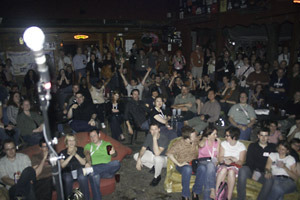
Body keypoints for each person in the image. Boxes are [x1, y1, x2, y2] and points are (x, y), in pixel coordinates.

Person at [237, 127, 277, 200]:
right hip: (251, 170)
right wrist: (255, 172)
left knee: (270, 179)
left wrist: (268, 172)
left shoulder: (273, 147)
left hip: (264, 173)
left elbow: (275, 161)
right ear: (258, 136)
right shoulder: (252, 146)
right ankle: (241, 198)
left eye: (266, 135)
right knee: (243, 169)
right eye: (261, 135)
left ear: (268, 137)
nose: (263, 138)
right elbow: (249, 162)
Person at [83, 129, 120, 200]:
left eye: (94, 135)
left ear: (99, 135)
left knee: (116, 163)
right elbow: (87, 153)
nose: (93, 138)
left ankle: (91, 170)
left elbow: (114, 155)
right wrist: (88, 162)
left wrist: (114, 153)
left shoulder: (107, 144)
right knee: (94, 176)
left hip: (107, 170)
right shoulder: (88, 145)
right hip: (94, 168)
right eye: (91, 137)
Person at [166, 126, 200, 200]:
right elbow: (169, 154)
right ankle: (185, 195)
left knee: (203, 168)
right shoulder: (179, 144)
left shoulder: (195, 140)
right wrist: (179, 164)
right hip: (183, 165)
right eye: (194, 136)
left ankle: (195, 192)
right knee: (187, 169)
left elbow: (202, 140)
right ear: (188, 138)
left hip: (194, 163)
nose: (196, 136)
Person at [216, 127, 247, 200]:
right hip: (224, 164)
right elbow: (220, 159)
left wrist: (233, 160)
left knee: (231, 171)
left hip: (235, 166)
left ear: (234, 137)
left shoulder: (241, 146)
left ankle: (228, 197)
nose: (225, 137)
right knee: (223, 170)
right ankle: (217, 194)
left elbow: (241, 162)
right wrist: (227, 158)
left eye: (227, 136)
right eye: (226, 135)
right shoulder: (224, 144)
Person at [59, 134, 89, 199]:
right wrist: (71, 156)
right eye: (69, 140)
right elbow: (62, 165)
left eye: (73, 140)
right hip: (68, 172)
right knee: (67, 179)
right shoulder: (62, 152)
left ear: (75, 141)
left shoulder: (81, 149)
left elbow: (84, 162)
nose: (71, 142)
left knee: (82, 177)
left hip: (79, 170)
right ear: (66, 142)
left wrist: (75, 154)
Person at [195, 126, 220, 200]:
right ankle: (212, 189)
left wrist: (217, 162)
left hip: (213, 163)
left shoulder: (216, 143)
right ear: (208, 135)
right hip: (202, 161)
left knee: (209, 168)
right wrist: (204, 138)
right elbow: (201, 145)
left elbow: (218, 156)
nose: (216, 136)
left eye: (216, 134)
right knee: (209, 166)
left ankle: (208, 195)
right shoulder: (203, 141)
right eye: (214, 134)